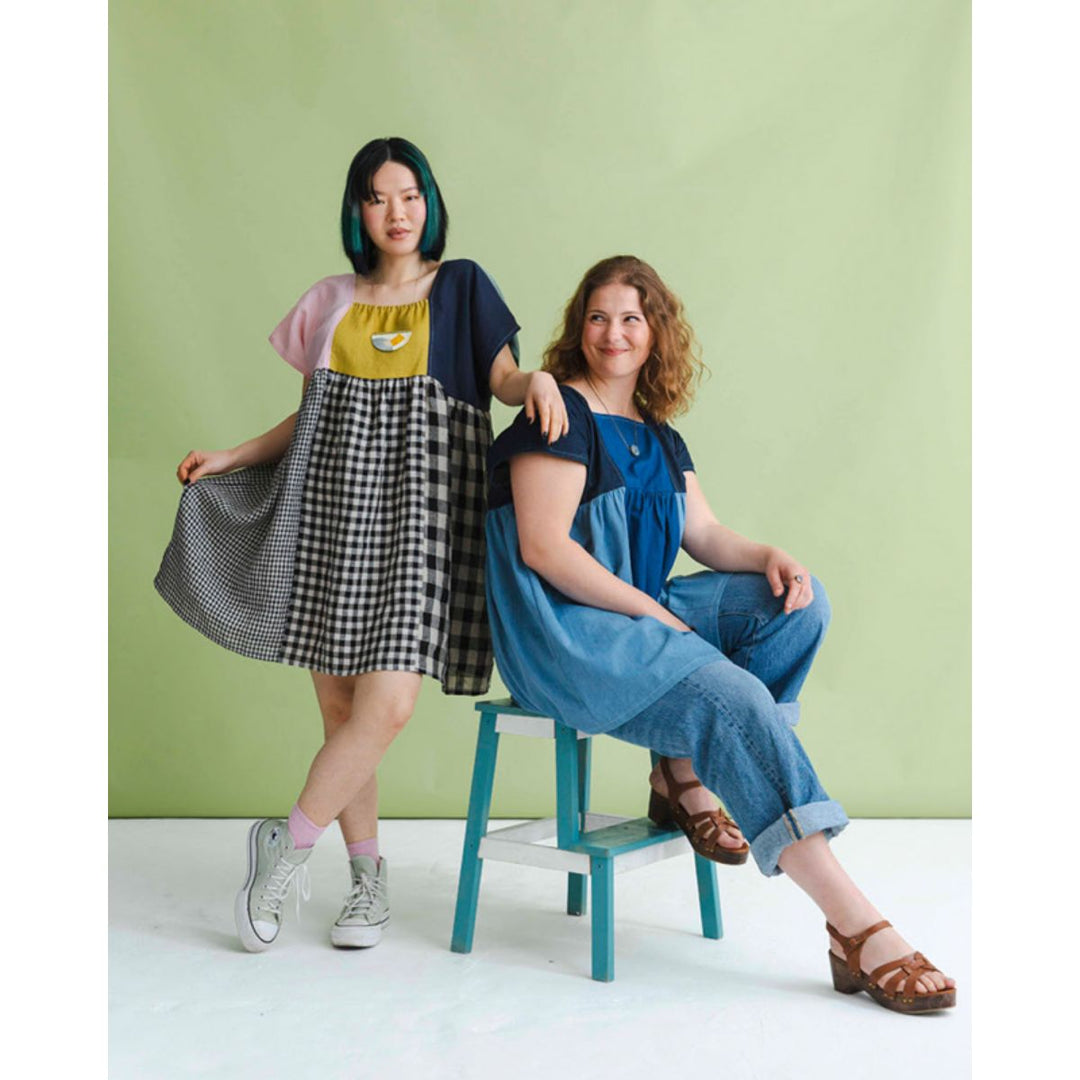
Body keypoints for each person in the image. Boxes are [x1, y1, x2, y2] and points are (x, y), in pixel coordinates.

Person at [483, 255, 955, 1013]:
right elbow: (543, 548)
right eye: (598, 317)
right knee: (731, 699)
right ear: (580, 328)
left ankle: (685, 768)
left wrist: (769, 555)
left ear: (655, 332)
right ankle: (855, 925)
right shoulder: (558, 413)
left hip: (635, 611)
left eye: (631, 318)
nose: (613, 333)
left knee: (800, 606)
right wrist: (656, 616)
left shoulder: (658, 435)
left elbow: (701, 532)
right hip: (567, 634)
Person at [155, 137, 568, 953]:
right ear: (358, 211)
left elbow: (504, 379)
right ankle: (368, 883)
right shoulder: (327, 301)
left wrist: (539, 382)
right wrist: (232, 457)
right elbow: (308, 423)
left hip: (423, 520)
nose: (397, 213)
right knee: (343, 713)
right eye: (378, 198)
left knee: (388, 706)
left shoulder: (463, 287)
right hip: (333, 518)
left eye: (410, 195)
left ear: (430, 202)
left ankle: (284, 849)